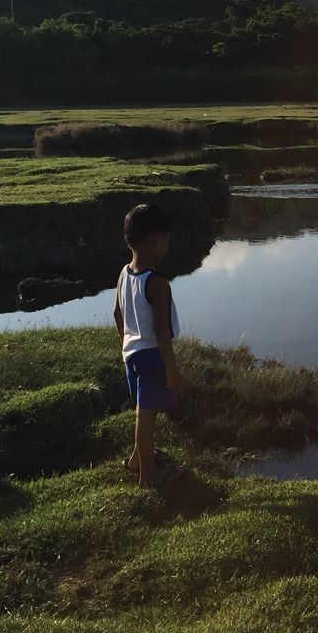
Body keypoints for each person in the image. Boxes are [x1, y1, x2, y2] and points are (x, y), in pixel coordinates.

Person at [113, 202, 185, 487]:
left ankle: (136, 459)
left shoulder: (124, 273)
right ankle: (148, 476)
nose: (167, 248)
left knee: (143, 411)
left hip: (132, 355)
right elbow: (161, 330)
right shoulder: (157, 283)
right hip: (153, 357)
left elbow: (117, 314)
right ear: (156, 241)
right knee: (147, 417)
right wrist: (172, 367)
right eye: (166, 241)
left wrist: (125, 346)